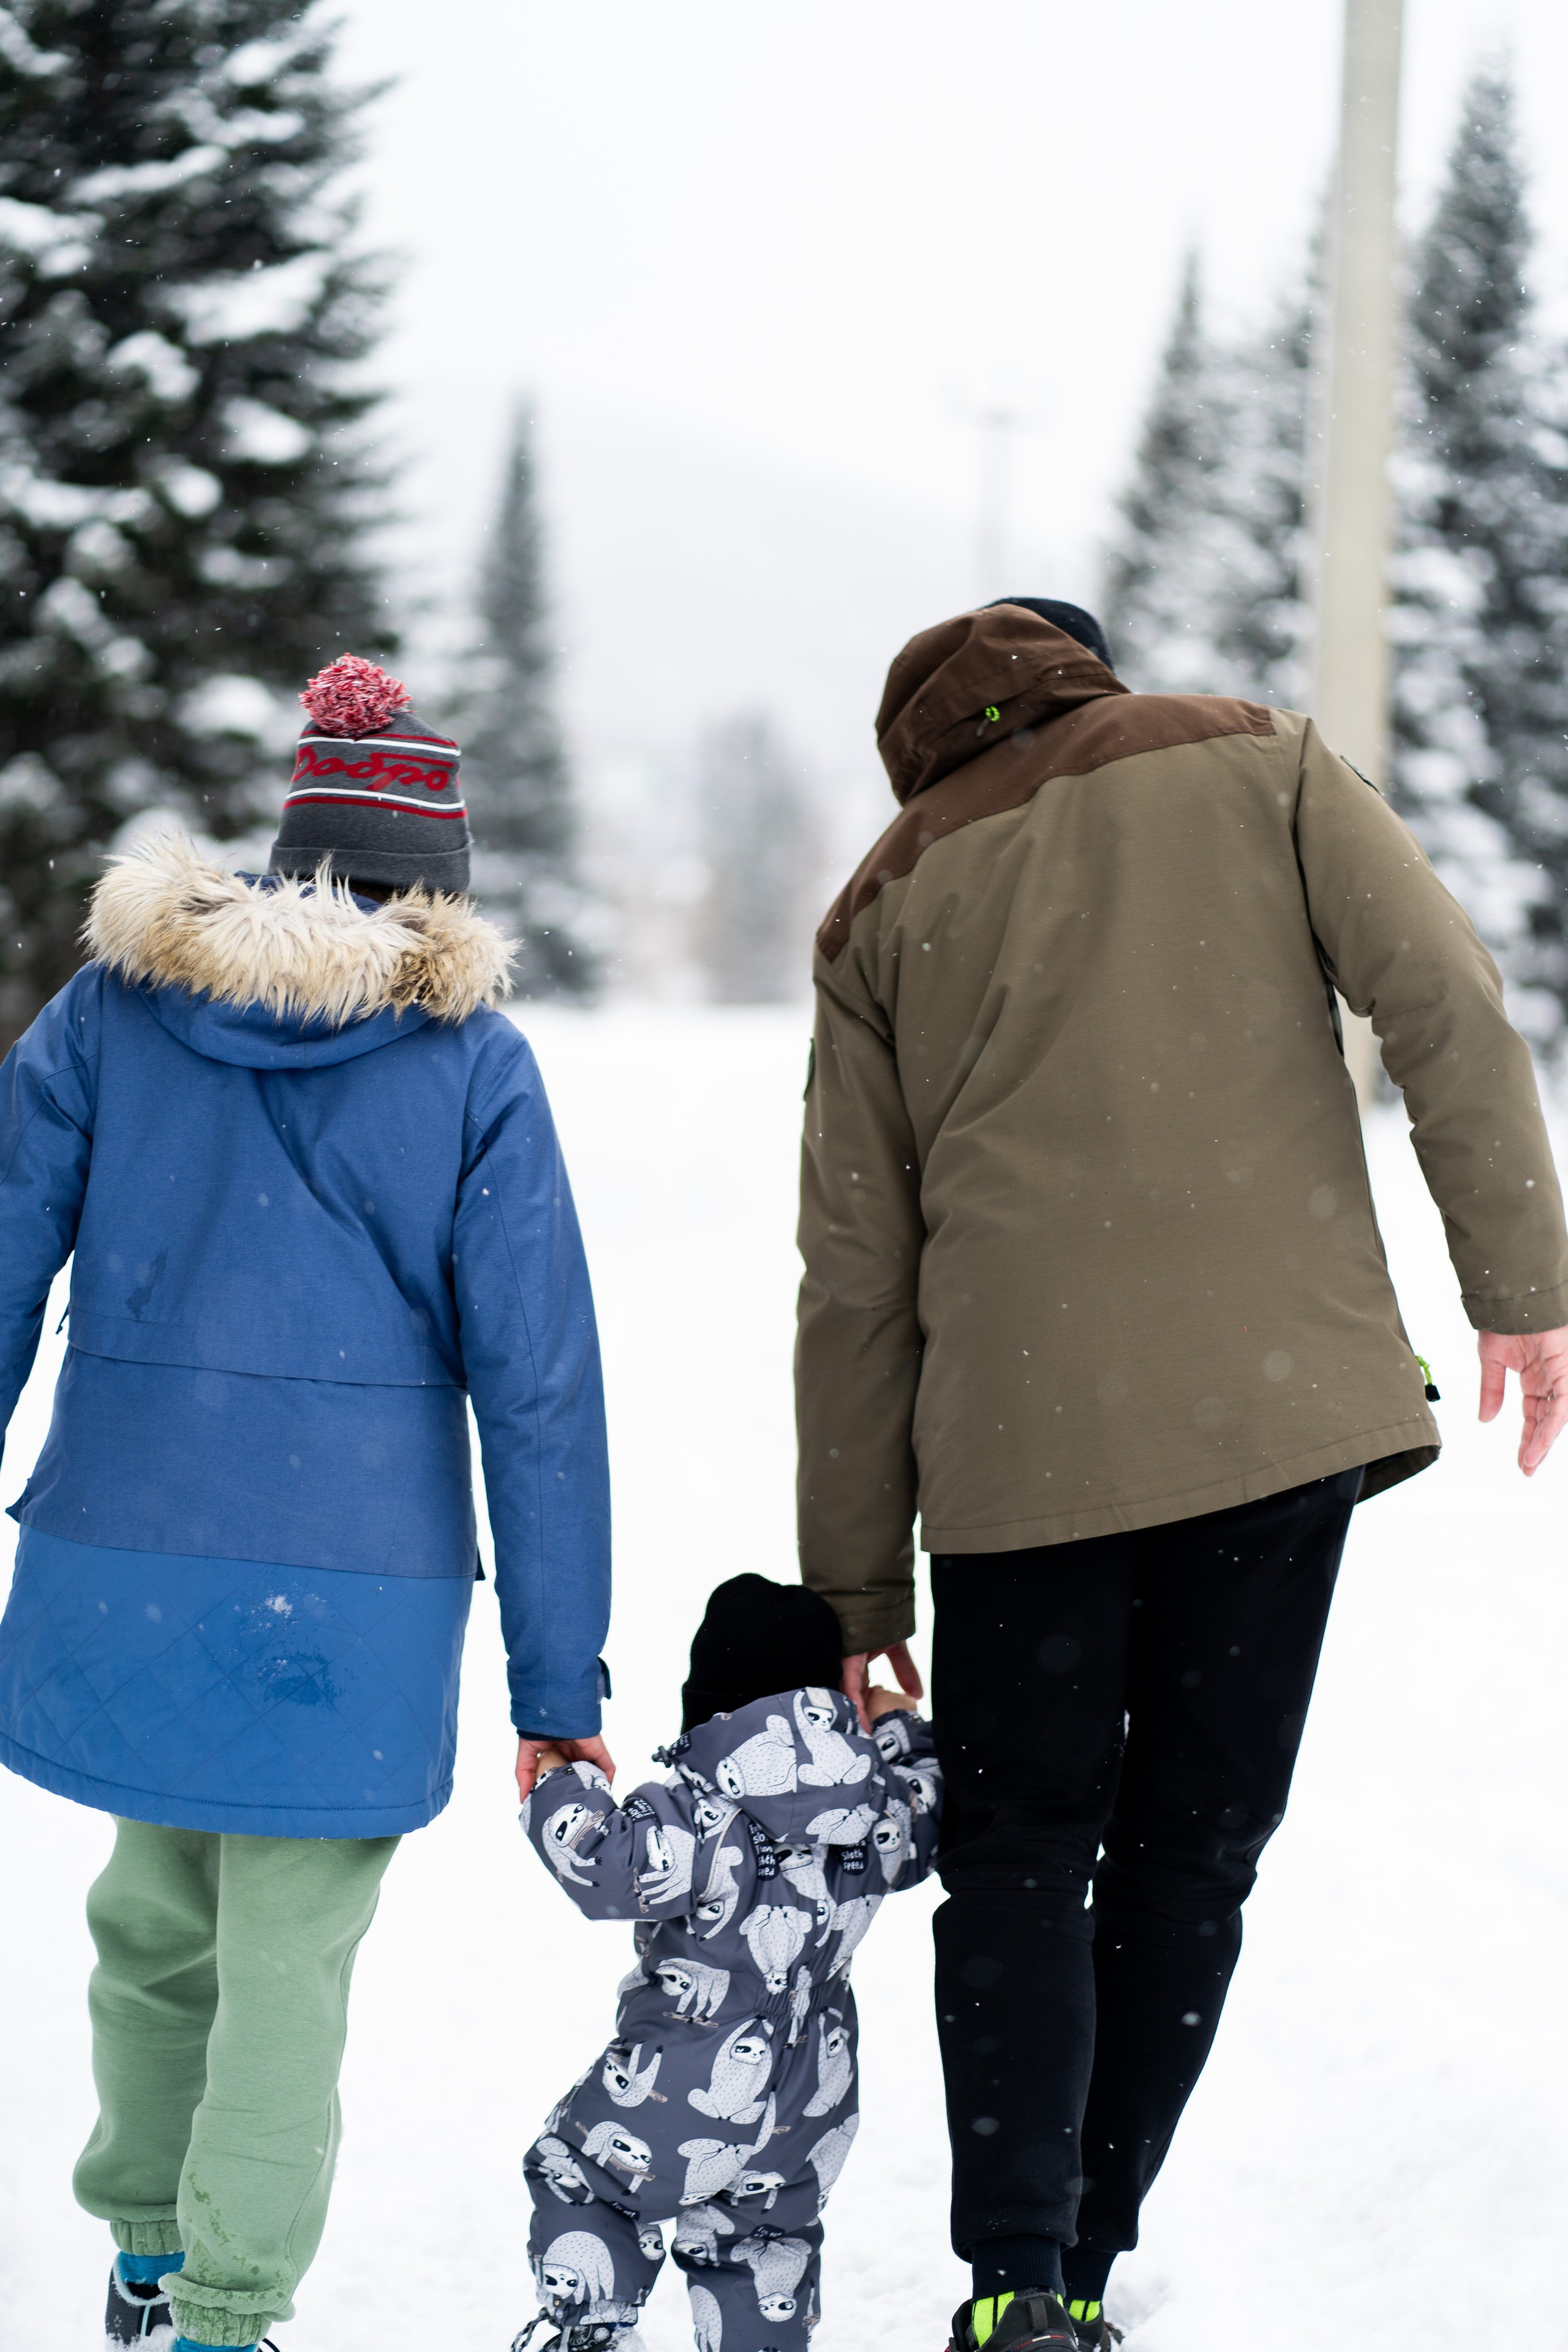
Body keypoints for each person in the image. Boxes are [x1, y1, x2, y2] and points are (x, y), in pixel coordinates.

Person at [794, 598, 1568, 2352]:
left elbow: (855, 1273)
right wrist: (1526, 1295)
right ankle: (1085, 2245)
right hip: (1269, 1412)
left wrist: (854, 1585)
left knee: (1018, 1859)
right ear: (1090, 677)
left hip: (1012, 1452)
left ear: (919, 746)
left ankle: (1014, 2280)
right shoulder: (1255, 758)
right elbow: (1444, 1000)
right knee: (1191, 1849)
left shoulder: (882, 902)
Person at [0, 654, 614, 2352]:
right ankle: (224, 2312)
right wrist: (560, 1691)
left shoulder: (112, 1014)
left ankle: (141, 2243)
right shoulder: (471, 1064)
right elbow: (539, 1388)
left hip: (121, 1546)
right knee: (288, 1962)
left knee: (150, 1913)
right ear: (442, 889)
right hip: (351, 1593)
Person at [512, 1571, 942, 2352]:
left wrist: (559, 1780)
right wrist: (899, 1726)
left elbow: (603, 1864)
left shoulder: (699, 1817)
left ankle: (591, 2336)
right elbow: (928, 1808)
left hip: (683, 2083)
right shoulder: (875, 1806)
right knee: (762, 2245)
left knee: (584, 2177)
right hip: (810, 2099)